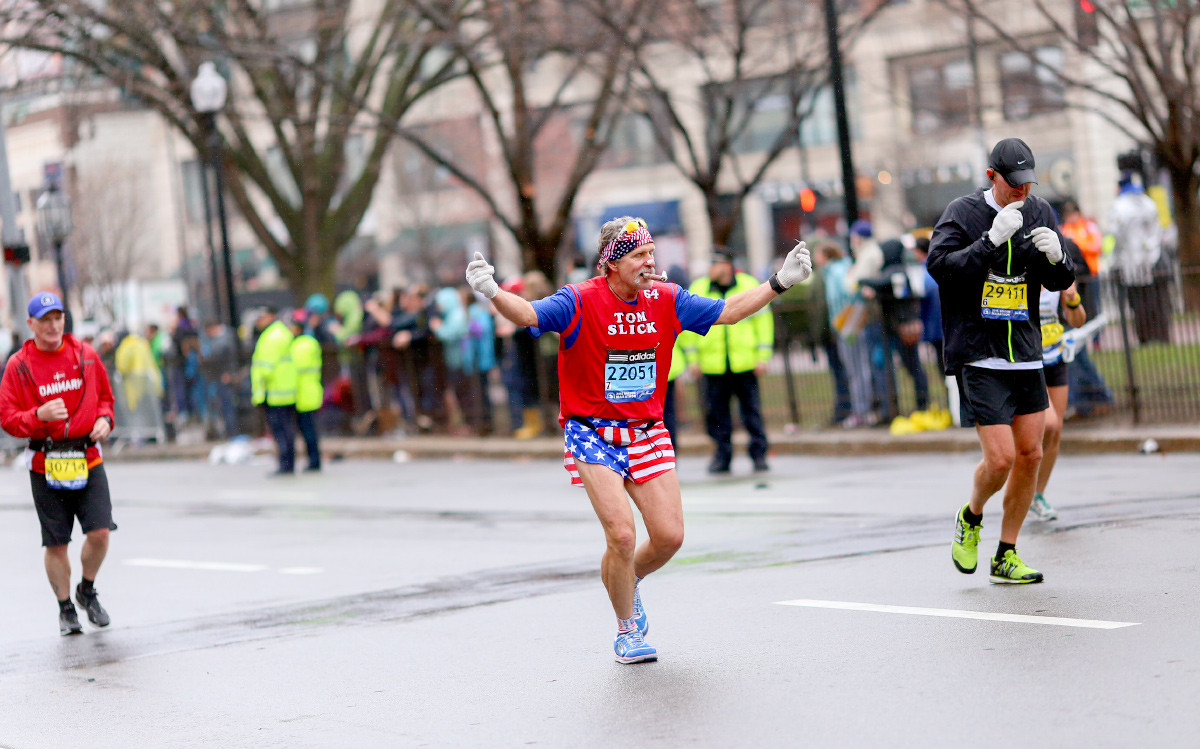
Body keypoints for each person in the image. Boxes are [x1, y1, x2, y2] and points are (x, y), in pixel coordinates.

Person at [466, 216, 812, 664]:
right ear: (611, 263)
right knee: (623, 535)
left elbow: (728, 311)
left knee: (669, 537)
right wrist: (493, 292)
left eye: (651, 253)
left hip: (646, 430)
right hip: (592, 432)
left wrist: (779, 282)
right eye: (638, 255)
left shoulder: (666, 298)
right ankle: (627, 629)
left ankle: (626, 580)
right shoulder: (579, 300)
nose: (649, 262)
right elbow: (528, 314)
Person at [928, 137, 1075, 584]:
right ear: (992, 177)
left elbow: (1059, 281)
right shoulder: (962, 212)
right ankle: (971, 517)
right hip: (979, 352)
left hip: (1026, 351)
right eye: (1013, 185)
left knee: (1030, 452)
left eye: (1028, 183)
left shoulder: (1040, 211)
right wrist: (990, 241)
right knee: (1001, 460)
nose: (1022, 193)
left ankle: (1006, 553)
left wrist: (1058, 257)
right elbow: (941, 268)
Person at [0, 292, 118, 636]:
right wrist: (38, 415)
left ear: (64, 320)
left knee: (99, 532)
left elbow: (107, 400)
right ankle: (66, 608)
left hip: (88, 457)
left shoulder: (87, 355)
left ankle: (87, 590)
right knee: (56, 543)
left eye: (58, 318)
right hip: (45, 461)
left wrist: (106, 420)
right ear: (31, 324)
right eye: (45, 320)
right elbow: (7, 419)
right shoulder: (19, 366)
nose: (53, 326)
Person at [681, 249, 774, 474]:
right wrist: (693, 360)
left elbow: (764, 323)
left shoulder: (749, 284)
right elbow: (687, 328)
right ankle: (722, 456)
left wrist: (763, 357)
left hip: (745, 362)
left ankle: (759, 454)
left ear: (727, 265)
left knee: (751, 411)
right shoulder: (699, 288)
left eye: (715, 263)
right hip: (712, 364)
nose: (710, 268)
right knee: (717, 415)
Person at [1029, 266, 1087, 521]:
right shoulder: (1018, 273)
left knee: (1055, 430)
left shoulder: (1056, 272)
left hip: (1055, 357)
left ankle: (1037, 495)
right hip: (1029, 361)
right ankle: (1025, 482)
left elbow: (1077, 320)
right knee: (1049, 424)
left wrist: (1072, 297)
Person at [1108, 173, 1170, 344]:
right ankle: (1161, 335)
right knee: (1156, 302)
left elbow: (1117, 234)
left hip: (1131, 263)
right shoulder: (1148, 202)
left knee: (1138, 304)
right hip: (1152, 259)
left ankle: (1145, 337)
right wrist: (1150, 248)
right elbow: (1156, 230)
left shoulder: (1119, 206)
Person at [250, 307, 298, 476]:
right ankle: (288, 463)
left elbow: (265, 368)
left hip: (274, 391)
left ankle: (285, 464)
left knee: (280, 430)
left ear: (270, 316)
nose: (258, 322)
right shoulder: (281, 332)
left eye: (261, 317)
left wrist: (259, 385)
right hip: (284, 390)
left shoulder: (272, 336)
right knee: (286, 429)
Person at [287, 309, 323, 471]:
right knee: (308, 429)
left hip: (304, 393)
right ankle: (313, 460)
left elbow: (294, 368)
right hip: (307, 391)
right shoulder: (307, 342)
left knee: (308, 431)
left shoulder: (302, 345)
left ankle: (314, 461)